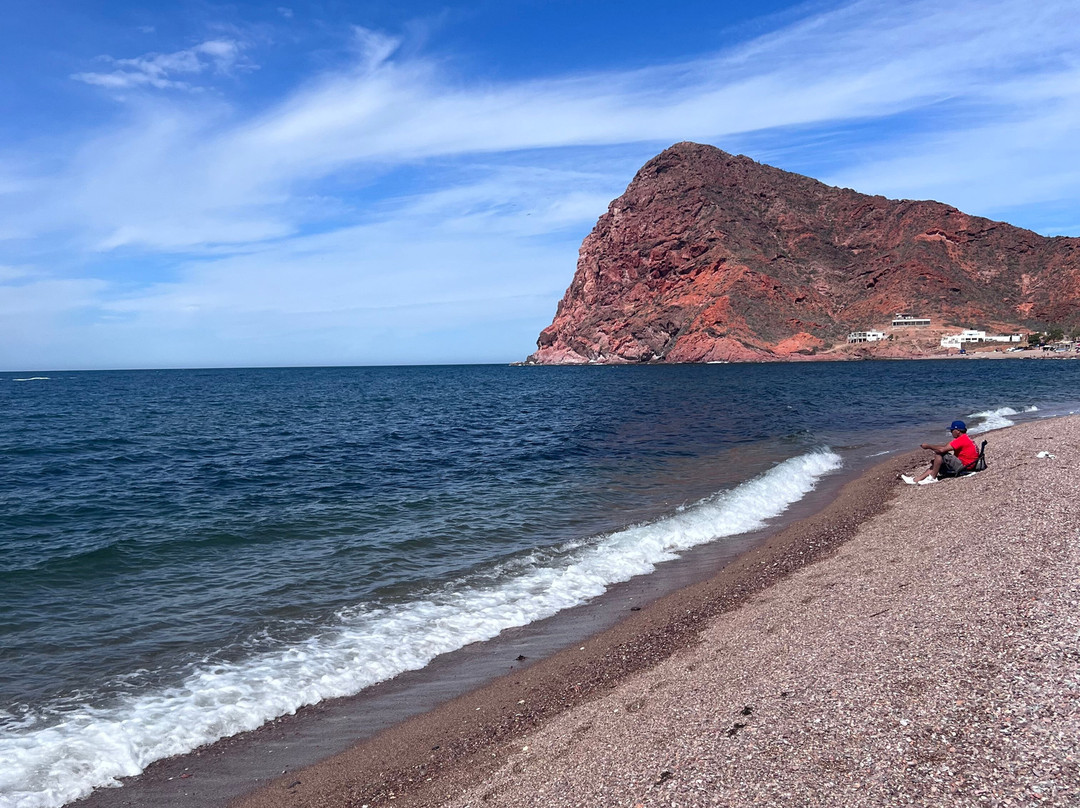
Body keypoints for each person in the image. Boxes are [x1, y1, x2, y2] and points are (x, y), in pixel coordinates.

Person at [902, 420, 980, 485]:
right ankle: (916, 480)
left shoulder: (961, 440)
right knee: (936, 462)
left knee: (940, 454)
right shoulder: (964, 438)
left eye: (952, 430)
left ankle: (932, 478)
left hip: (965, 466)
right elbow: (945, 447)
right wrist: (929, 446)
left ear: (958, 431)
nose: (951, 432)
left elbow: (942, 450)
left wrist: (928, 447)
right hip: (967, 464)